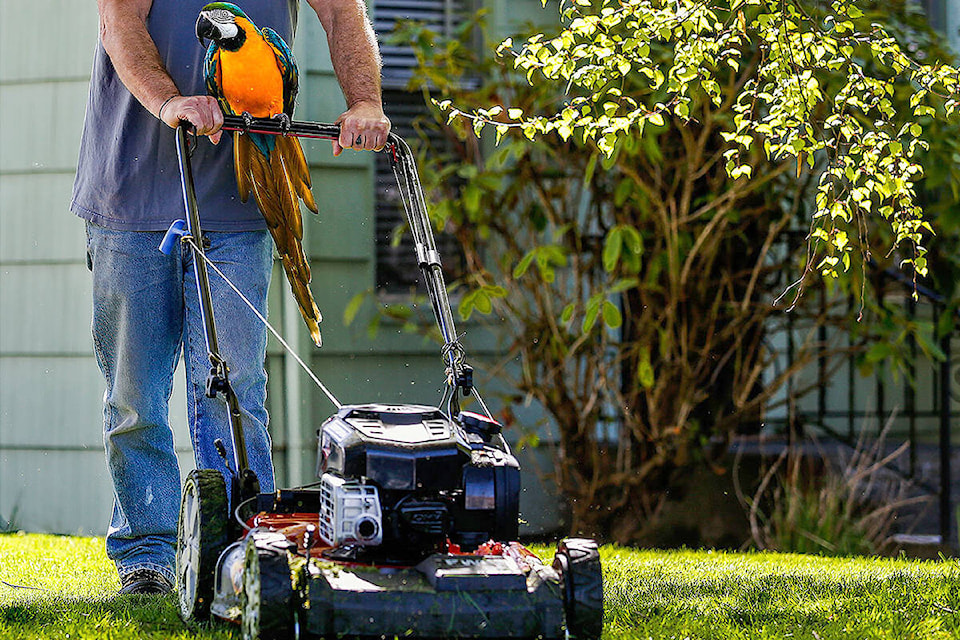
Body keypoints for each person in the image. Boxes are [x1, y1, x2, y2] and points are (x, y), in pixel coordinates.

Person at [72, 0, 390, 595]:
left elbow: (344, 13)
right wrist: (171, 101)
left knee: (234, 391)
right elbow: (119, 21)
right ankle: (149, 554)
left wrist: (365, 102)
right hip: (130, 199)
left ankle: (239, 555)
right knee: (135, 397)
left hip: (238, 203)